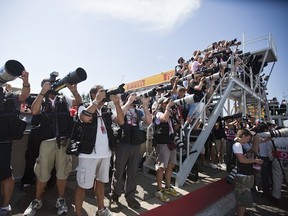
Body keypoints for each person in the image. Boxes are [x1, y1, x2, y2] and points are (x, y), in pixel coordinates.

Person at [23, 80, 82, 216]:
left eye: (52, 84)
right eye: (47, 84)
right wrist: (43, 92)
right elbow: (34, 111)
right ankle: (37, 200)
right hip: (46, 142)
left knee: (62, 172)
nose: (51, 86)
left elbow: (79, 103)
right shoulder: (40, 98)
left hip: (63, 141)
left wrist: (74, 90)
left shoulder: (64, 99)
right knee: (42, 171)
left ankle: (60, 200)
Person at [74, 85, 124, 216]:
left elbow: (121, 121)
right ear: (93, 95)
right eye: (101, 92)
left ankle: (101, 209)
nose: (104, 94)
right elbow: (84, 118)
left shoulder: (107, 110)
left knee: (101, 182)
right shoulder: (84, 106)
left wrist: (117, 104)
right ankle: (78, 213)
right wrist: (96, 102)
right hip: (88, 154)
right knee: (82, 186)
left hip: (105, 153)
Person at [110, 93, 152, 209]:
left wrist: (145, 105)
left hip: (135, 144)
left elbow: (149, 121)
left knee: (133, 171)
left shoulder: (138, 111)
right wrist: (128, 103)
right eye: (130, 97)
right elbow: (119, 119)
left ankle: (130, 196)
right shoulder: (118, 108)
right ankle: (115, 196)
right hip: (123, 144)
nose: (134, 99)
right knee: (118, 171)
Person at [0, 70, 30, 216]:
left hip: (3, 142)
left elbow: (24, 96)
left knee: (5, 174)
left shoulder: (9, 97)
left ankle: (5, 206)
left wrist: (25, 81)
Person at [152, 96, 180, 203]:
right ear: (160, 104)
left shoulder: (171, 114)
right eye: (165, 103)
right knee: (161, 167)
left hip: (171, 142)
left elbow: (173, 127)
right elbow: (163, 119)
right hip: (162, 143)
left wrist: (179, 123)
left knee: (171, 165)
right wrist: (168, 108)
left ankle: (168, 187)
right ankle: (159, 189)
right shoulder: (158, 113)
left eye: (168, 102)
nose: (167, 104)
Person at [232, 128, 263, 216]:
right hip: (242, 175)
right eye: (248, 138)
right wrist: (255, 161)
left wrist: (256, 139)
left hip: (245, 175)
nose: (249, 140)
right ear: (244, 136)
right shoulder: (237, 145)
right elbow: (241, 160)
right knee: (243, 201)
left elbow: (254, 151)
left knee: (243, 199)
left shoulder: (242, 145)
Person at [267, 132, 288, 205]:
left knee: (277, 179)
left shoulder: (273, 141)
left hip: (277, 161)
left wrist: (272, 159)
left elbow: (269, 154)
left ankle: (276, 197)